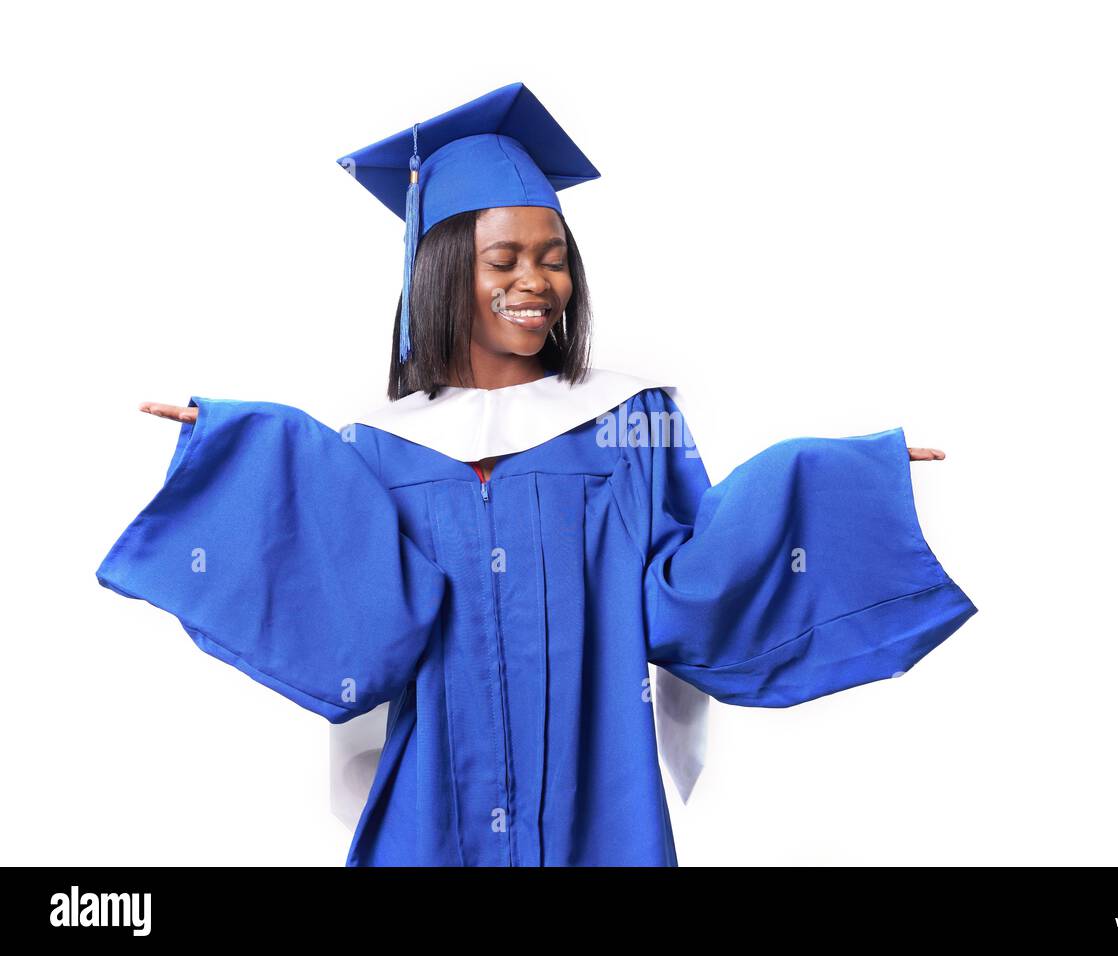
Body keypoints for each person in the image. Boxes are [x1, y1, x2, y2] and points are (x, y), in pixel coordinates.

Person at [97, 82, 977, 866]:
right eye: (504, 260)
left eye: (554, 258)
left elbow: (692, 585)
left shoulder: (631, 422)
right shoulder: (376, 447)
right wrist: (237, 451)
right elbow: (358, 628)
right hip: (429, 808)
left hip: (602, 802)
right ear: (442, 272)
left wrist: (843, 481)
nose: (537, 282)